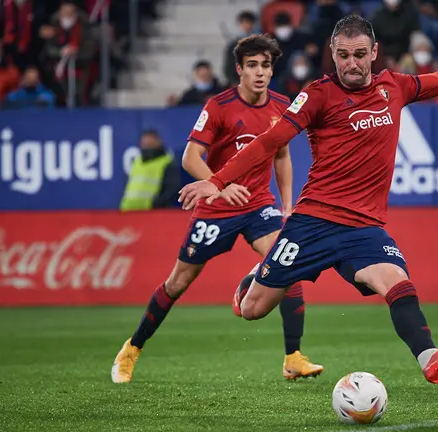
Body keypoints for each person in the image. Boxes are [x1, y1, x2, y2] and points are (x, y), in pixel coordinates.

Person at [178, 15, 438, 384]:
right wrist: (219, 179)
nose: (351, 63)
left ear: (374, 53)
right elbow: (271, 142)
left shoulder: (394, 87)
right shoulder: (317, 94)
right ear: (332, 55)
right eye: (342, 55)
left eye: (358, 54)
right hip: (313, 223)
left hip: (364, 228)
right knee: (253, 309)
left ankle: (430, 357)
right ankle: (257, 276)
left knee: (396, 280)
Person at [112, 34, 323, 383]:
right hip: (216, 209)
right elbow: (190, 157)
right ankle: (132, 349)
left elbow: (282, 156)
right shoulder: (219, 105)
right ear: (239, 69)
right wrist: (220, 189)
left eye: (265, 66)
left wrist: (286, 205)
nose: (259, 72)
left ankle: (293, 357)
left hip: (258, 204)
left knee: (289, 263)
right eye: (252, 65)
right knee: (178, 282)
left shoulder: (282, 105)